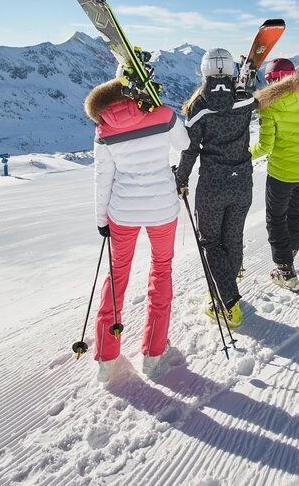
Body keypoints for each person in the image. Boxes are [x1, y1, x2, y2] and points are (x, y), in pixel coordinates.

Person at [84, 73, 190, 381]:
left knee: (116, 276)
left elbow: (102, 177)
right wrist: (160, 112)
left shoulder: (103, 127)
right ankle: (153, 352)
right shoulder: (163, 114)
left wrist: (101, 219)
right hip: (162, 210)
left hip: (123, 211)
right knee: (161, 270)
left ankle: (106, 355)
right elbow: (183, 143)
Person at [174, 48, 255, 328]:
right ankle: (228, 290)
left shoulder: (198, 107)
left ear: (204, 70)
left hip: (213, 185)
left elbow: (190, 149)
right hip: (242, 181)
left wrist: (181, 179)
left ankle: (228, 305)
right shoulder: (246, 98)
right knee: (232, 237)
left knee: (211, 242)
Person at [250, 58, 299, 291]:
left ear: (269, 81)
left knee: (276, 219)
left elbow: (264, 147)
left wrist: (242, 154)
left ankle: (285, 270)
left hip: (282, 174)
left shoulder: (269, 107)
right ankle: (290, 253)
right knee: (296, 213)